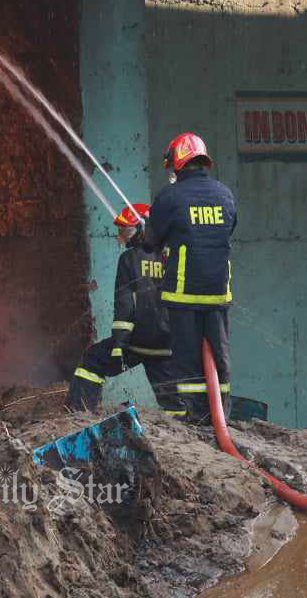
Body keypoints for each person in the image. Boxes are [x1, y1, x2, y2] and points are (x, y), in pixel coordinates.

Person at [142, 132, 236, 423]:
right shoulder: (225, 194)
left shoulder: (170, 196)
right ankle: (221, 417)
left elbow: (149, 241)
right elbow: (228, 228)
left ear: (177, 163)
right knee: (219, 359)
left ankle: (196, 418)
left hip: (183, 296)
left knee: (187, 360)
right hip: (218, 294)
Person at [66, 203, 171, 413]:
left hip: (137, 342)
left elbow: (124, 307)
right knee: (172, 401)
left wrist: (118, 346)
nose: (121, 236)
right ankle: (183, 431)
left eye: (126, 230)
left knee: (93, 359)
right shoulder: (173, 257)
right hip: (168, 344)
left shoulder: (129, 259)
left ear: (143, 228)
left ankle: (78, 413)